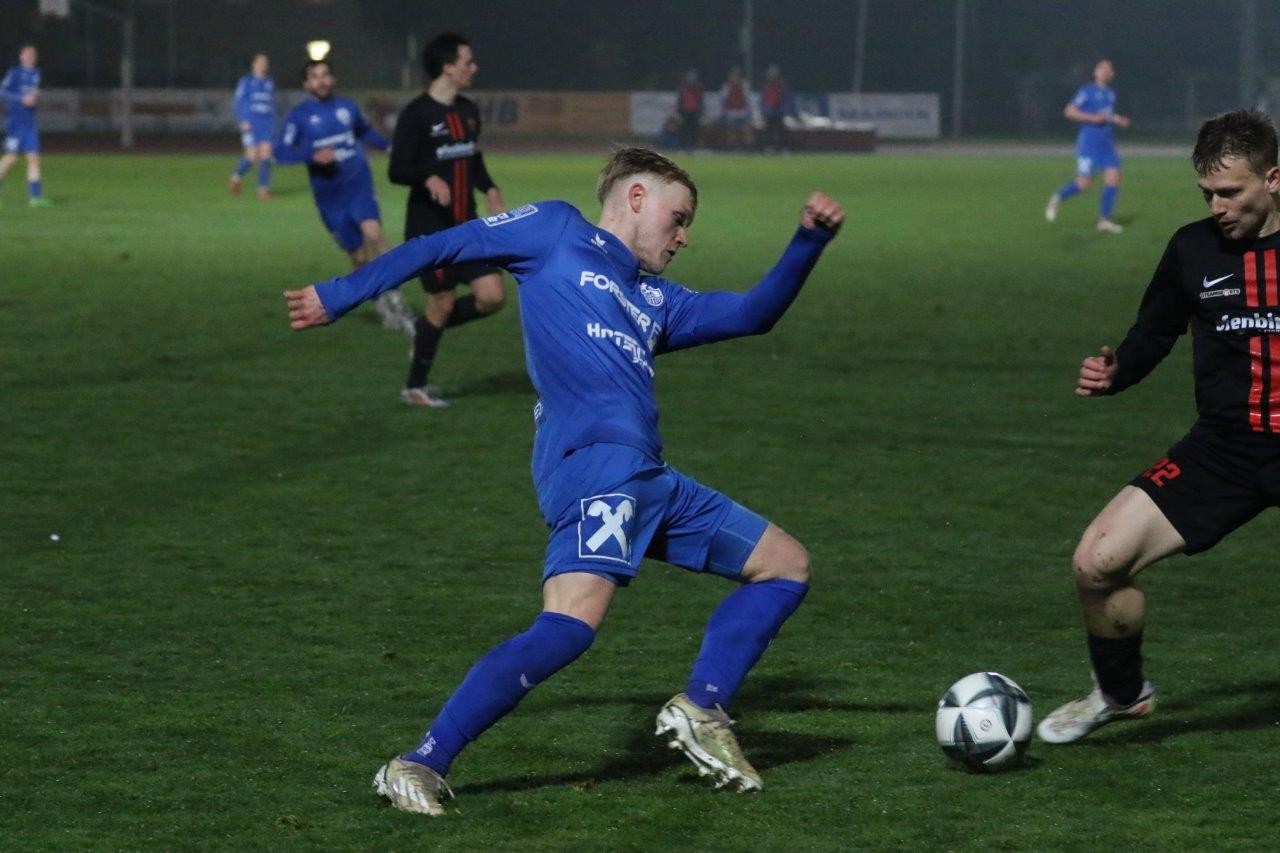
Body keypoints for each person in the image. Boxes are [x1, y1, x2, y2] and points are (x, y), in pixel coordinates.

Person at [285, 147, 845, 814]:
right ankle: (419, 762)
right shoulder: (555, 230)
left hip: (648, 477)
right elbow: (443, 244)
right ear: (635, 198)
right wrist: (339, 294)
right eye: (679, 218)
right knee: (571, 623)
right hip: (596, 466)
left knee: (784, 564)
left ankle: (703, 707)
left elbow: (753, 313)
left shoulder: (656, 299)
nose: (683, 237)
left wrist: (809, 240)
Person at [1038, 109, 1280, 744]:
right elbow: (1154, 332)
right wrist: (1116, 370)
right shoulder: (1192, 249)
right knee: (1097, 561)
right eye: (1207, 193)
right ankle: (1122, 694)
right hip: (1225, 452)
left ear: (1273, 178)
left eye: (1230, 192)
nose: (1217, 207)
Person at [388, 32, 507, 409]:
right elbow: (396, 169)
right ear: (448, 68)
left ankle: (423, 330)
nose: (474, 67)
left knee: (492, 296)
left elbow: (472, 159)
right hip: (430, 228)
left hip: (467, 224)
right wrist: (427, 177)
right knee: (441, 301)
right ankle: (414, 387)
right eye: (467, 62)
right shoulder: (416, 114)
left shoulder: (468, 111)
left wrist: (489, 188)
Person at [275, 59, 412, 333]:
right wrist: (312, 155)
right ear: (306, 84)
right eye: (315, 76)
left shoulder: (348, 107)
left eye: (325, 74)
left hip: (358, 184)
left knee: (374, 234)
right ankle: (379, 301)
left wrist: (386, 146)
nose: (321, 80)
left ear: (333, 79)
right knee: (358, 256)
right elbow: (280, 152)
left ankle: (396, 297)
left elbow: (364, 131)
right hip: (330, 197)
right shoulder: (299, 116)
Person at [1044, 59, 1130, 234]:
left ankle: (1104, 221)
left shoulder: (1111, 93)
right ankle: (1057, 197)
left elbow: (1106, 114)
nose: (1105, 71)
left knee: (1114, 178)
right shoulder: (1087, 91)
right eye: (1102, 68)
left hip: (1107, 144)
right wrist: (1091, 118)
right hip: (1089, 144)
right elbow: (1069, 111)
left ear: (1112, 74)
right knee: (1084, 184)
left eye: (1108, 69)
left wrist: (1118, 119)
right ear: (1095, 72)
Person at [0, 44, 51, 208]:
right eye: (27, 54)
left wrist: (35, 95)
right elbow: (3, 92)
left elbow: (32, 95)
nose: (30, 56)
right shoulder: (14, 73)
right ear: (21, 56)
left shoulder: (36, 74)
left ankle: (35, 198)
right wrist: (21, 98)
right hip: (16, 124)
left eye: (33, 54)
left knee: (34, 159)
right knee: (10, 158)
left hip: (30, 124)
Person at [230, 53, 276, 200]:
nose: (263, 65)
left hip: (266, 123)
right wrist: (243, 120)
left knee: (266, 155)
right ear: (253, 65)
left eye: (265, 63)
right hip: (251, 122)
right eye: (260, 62)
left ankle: (263, 190)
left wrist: (274, 121)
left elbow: (271, 103)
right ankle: (236, 177)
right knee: (251, 157)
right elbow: (238, 101)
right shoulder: (246, 81)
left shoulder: (270, 82)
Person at [759, 64, 796, 152]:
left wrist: (785, 110)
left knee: (781, 130)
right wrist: (763, 111)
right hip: (769, 112)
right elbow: (763, 99)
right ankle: (768, 147)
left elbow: (786, 98)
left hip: (779, 111)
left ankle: (783, 147)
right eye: (771, 73)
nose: (772, 75)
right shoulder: (766, 86)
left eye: (774, 73)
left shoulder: (782, 85)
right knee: (768, 130)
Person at [718, 66, 752, 151]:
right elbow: (723, 101)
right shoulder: (726, 87)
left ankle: (748, 148)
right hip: (731, 113)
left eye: (737, 76)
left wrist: (748, 113)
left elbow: (748, 100)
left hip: (742, 112)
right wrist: (724, 113)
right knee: (731, 129)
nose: (734, 78)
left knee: (747, 128)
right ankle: (732, 147)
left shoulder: (744, 85)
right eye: (733, 76)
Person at [674, 68, 704, 151]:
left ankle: (692, 144)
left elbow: (700, 101)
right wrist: (679, 111)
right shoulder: (683, 88)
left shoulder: (698, 88)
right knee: (684, 128)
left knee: (694, 128)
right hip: (684, 111)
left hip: (695, 112)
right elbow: (680, 101)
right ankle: (684, 144)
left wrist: (700, 111)